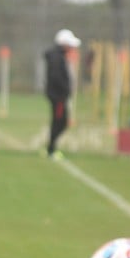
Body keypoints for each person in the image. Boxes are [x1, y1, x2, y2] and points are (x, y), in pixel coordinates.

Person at [43, 28, 81, 160]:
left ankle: (51, 148)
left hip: (59, 95)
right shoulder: (56, 57)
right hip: (58, 96)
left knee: (60, 122)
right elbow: (56, 77)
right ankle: (51, 149)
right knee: (59, 122)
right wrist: (65, 89)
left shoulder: (59, 56)